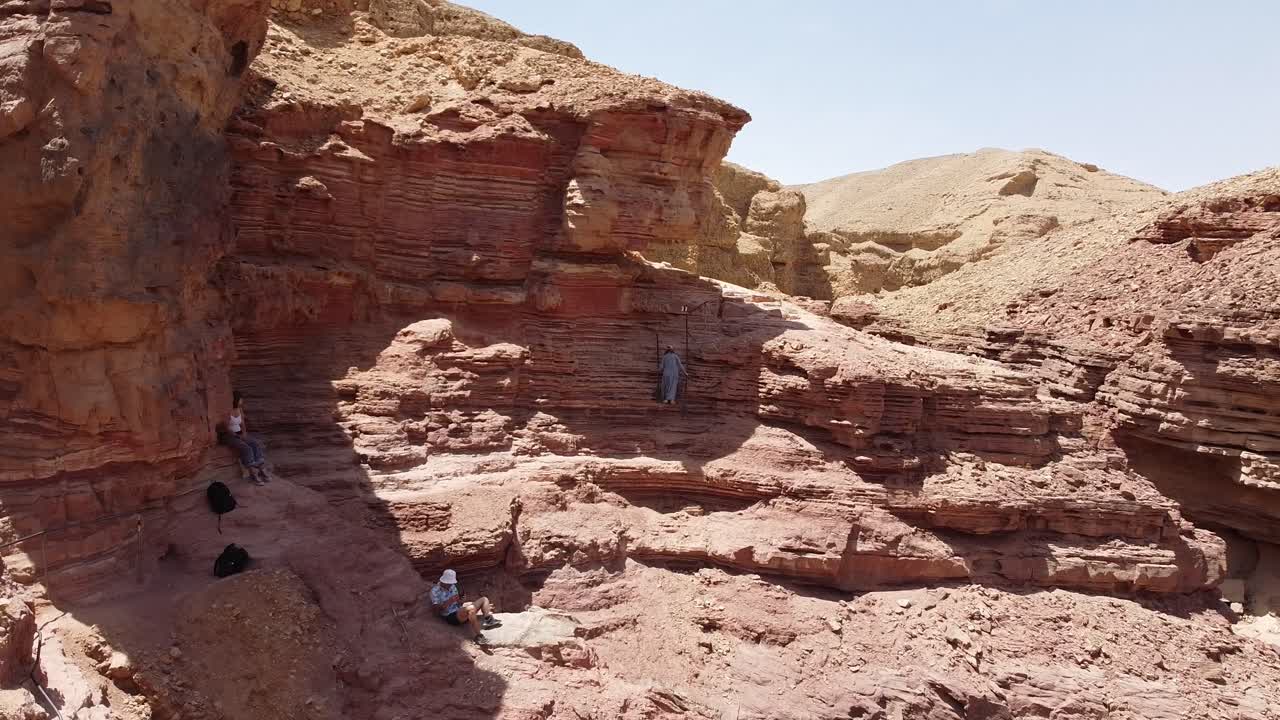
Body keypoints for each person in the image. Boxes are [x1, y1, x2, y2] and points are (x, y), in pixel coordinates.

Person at [429, 569, 500, 644]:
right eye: (449, 583)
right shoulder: (435, 591)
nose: (450, 585)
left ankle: (488, 619)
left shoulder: (452, 586)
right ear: (444, 581)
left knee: (484, 599)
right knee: (471, 608)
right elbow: (436, 611)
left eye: (451, 583)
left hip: (459, 611)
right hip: (450, 616)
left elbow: (459, 603)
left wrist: (461, 601)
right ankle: (479, 636)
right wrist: (449, 602)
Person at [226, 391, 269, 485]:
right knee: (247, 448)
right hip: (231, 436)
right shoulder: (228, 411)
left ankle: (261, 468)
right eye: (241, 399)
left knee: (255, 443)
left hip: (240, 434)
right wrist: (238, 436)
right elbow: (226, 428)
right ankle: (253, 473)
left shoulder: (239, 410)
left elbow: (242, 424)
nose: (242, 401)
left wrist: (244, 434)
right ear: (236, 399)